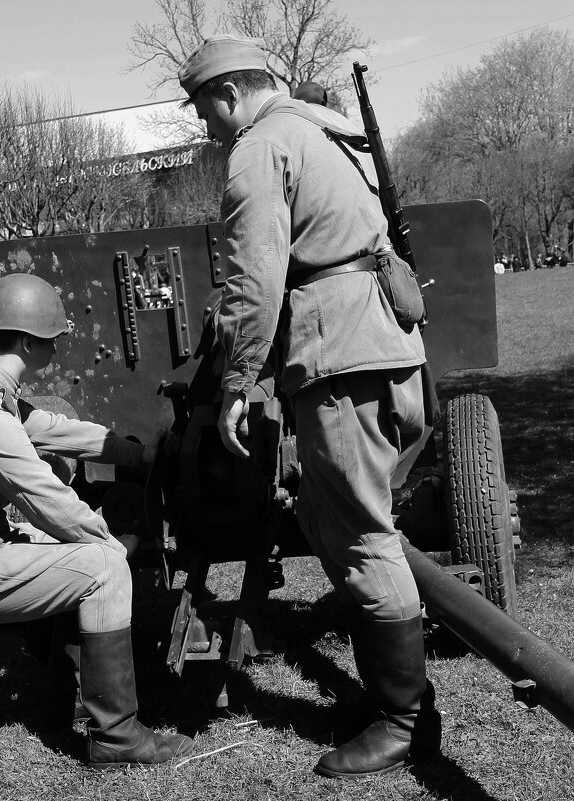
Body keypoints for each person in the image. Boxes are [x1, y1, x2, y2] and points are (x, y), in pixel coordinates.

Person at [178, 35, 440, 779]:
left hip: (338, 357)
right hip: (386, 347)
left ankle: (403, 719)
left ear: (228, 94)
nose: (204, 125)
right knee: (337, 521)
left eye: (203, 108)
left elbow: (254, 278)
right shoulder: (323, 131)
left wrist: (236, 383)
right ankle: (392, 699)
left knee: (360, 536)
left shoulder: (259, 148)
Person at [0, 272, 192, 768]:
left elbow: (51, 428)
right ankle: (116, 736)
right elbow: (45, 498)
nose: (56, 349)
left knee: (79, 554)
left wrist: (134, 455)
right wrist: (113, 545)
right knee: (101, 568)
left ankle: (60, 699)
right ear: (29, 342)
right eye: (52, 340)